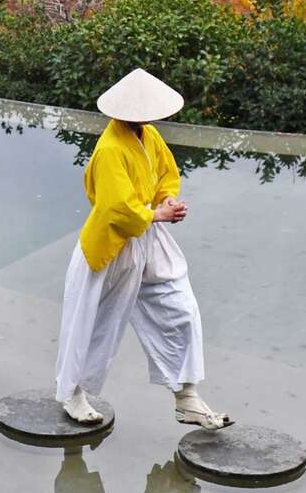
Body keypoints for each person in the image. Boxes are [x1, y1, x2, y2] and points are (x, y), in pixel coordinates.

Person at [53, 68, 229, 428]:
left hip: (150, 239)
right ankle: (73, 393)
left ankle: (187, 398)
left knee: (181, 309)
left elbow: (167, 173)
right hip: (111, 244)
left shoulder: (148, 135)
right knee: (91, 320)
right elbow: (116, 207)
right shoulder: (110, 148)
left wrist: (167, 202)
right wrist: (156, 214)